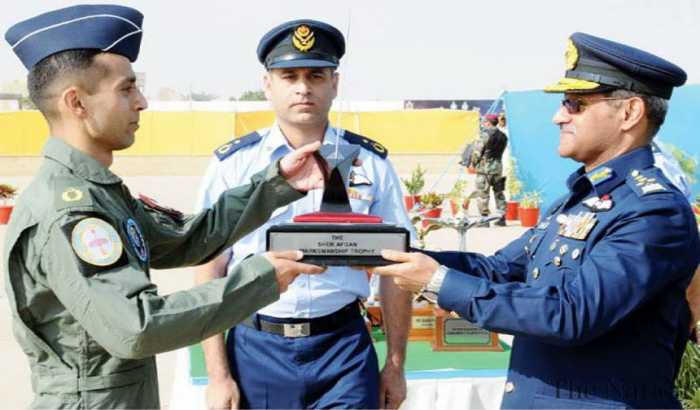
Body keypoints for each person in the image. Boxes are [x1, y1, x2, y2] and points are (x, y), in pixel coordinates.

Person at [3, 5, 330, 409]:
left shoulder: (97, 192)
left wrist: (276, 185)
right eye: (126, 89)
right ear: (77, 103)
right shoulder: (68, 211)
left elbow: (185, 241)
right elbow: (138, 328)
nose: (141, 102)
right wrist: (261, 277)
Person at [369, 32, 697, 409]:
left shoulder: (653, 212)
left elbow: (572, 314)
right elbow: (499, 269)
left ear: (629, 113)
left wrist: (437, 281)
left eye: (575, 104)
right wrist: (394, 255)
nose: (559, 116)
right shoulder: (579, 201)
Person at [193, 19, 414, 410]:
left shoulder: (370, 162)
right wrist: (218, 375)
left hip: (343, 347)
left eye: (315, 75)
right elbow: (209, 269)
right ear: (268, 85)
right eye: (288, 75)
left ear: (335, 84)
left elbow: (397, 268)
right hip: (256, 348)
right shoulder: (234, 165)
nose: (303, 87)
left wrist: (395, 364)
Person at [473, 114, 508, 225]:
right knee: (499, 192)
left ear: (488, 122)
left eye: (484, 121)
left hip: (485, 169)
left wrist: (474, 163)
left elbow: (477, 152)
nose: (483, 123)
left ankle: (484, 220)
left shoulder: (484, 135)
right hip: (497, 167)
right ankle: (501, 218)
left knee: (483, 194)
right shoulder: (503, 136)